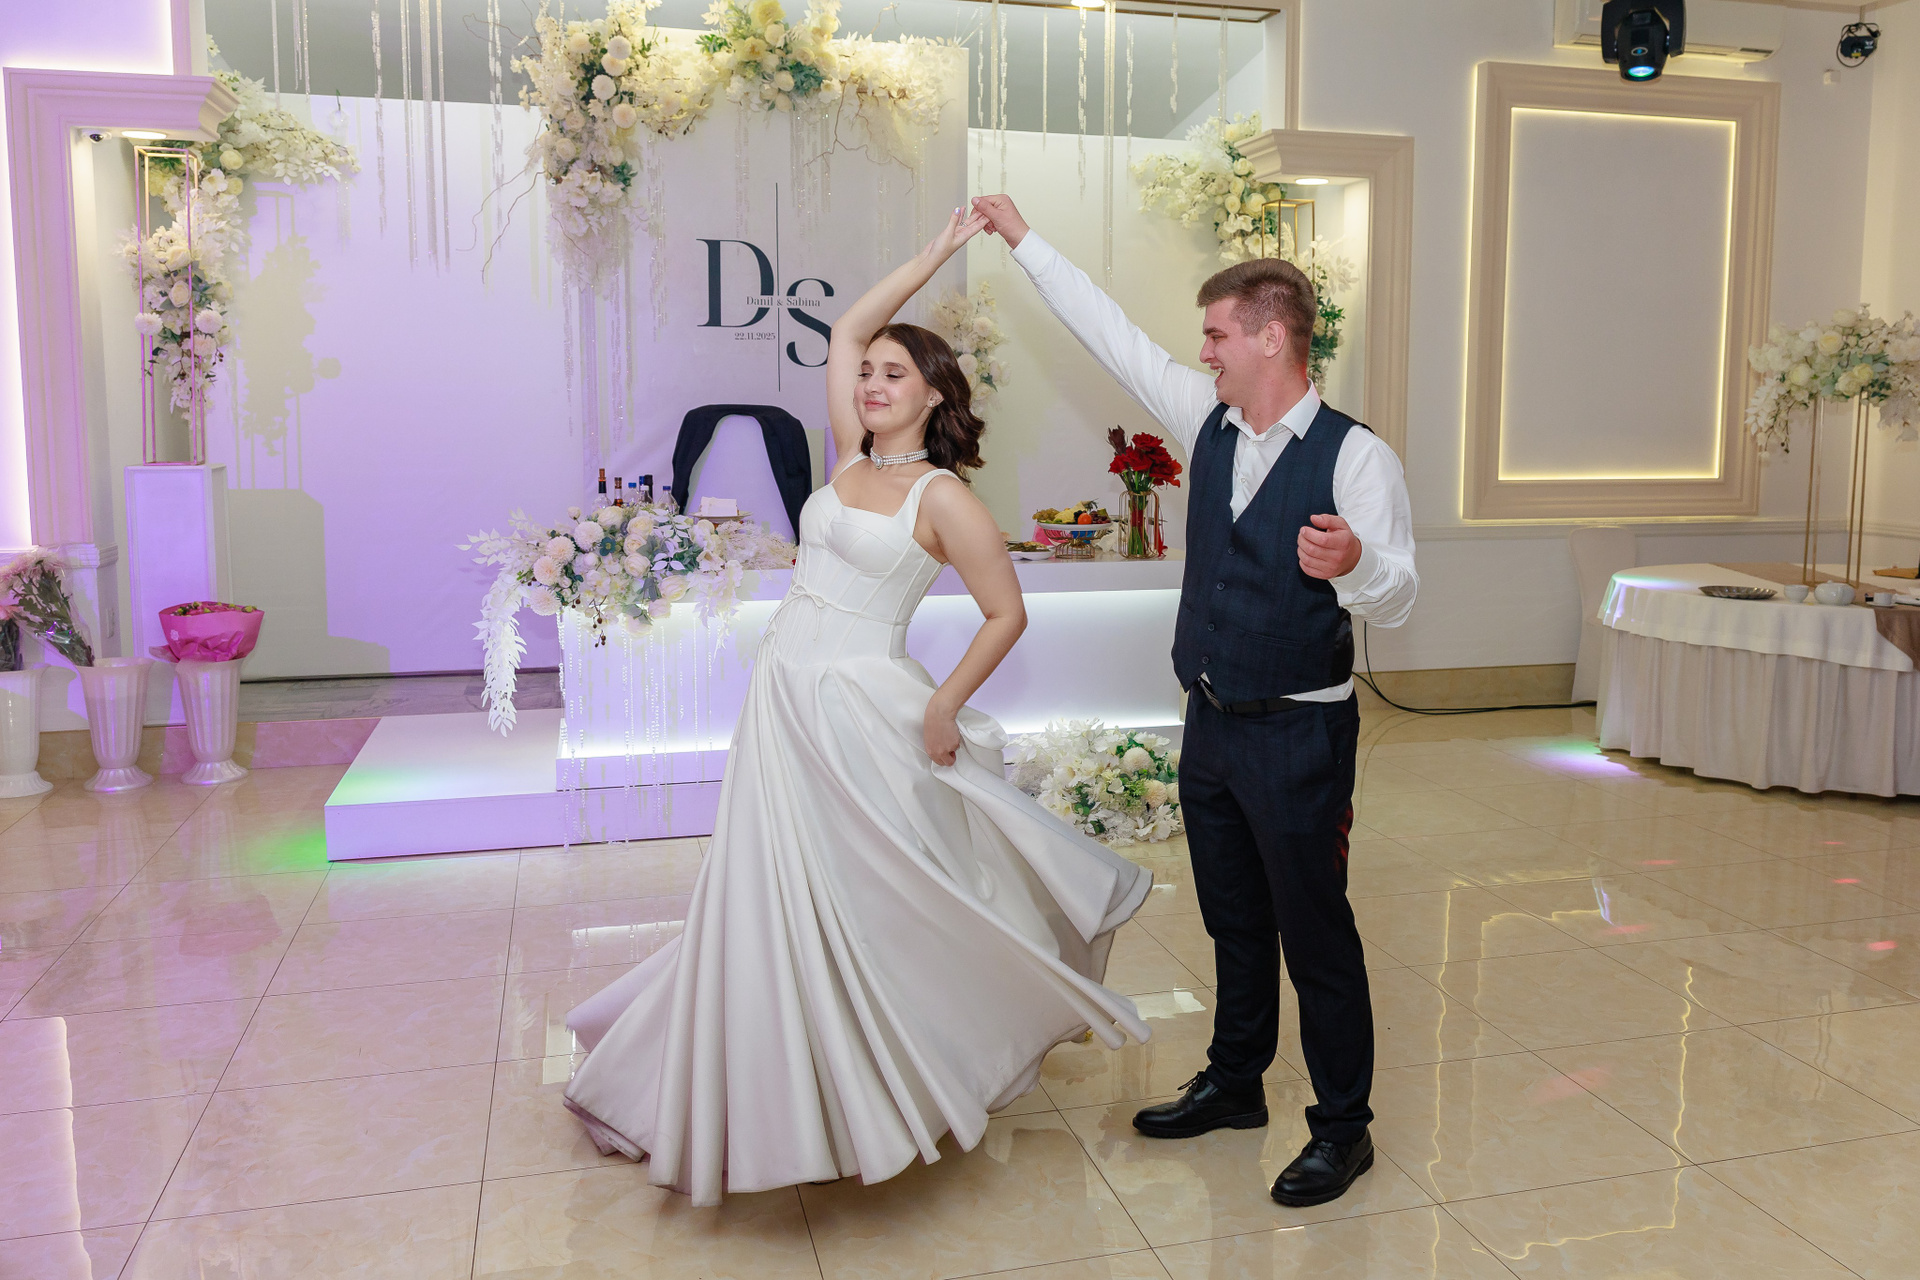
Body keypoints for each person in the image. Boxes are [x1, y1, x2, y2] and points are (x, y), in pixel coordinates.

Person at [561, 208, 1154, 1208]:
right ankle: (770, 1083)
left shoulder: (944, 498)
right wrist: (934, 254)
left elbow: (1006, 613)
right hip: (783, 696)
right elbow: (841, 330)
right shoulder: (845, 460)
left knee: (865, 894)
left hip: (862, 703)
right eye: (868, 373)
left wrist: (947, 704)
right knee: (765, 890)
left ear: (935, 394)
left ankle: (885, 1074)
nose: (872, 383)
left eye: (894, 374)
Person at [971, 193, 1418, 1208]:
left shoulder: (1357, 456)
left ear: (1271, 337)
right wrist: (1025, 239)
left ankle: (1343, 1127)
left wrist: (1354, 563)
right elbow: (1108, 332)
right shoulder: (1203, 419)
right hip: (1211, 723)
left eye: (1217, 334)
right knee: (1232, 918)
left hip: (1302, 730)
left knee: (1316, 932)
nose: (1203, 351)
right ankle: (1235, 1082)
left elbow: (1400, 595)